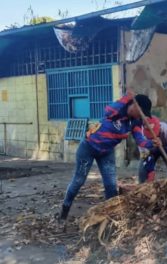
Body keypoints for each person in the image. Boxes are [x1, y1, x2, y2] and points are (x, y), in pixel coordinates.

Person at [58, 92, 159, 221]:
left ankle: (111, 218)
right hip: (88, 148)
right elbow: (108, 111)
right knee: (78, 181)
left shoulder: (135, 123)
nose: (142, 115)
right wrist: (127, 97)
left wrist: (152, 143)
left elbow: (140, 140)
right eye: (141, 111)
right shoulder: (117, 110)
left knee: (111, 185)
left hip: (106, 152)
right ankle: (64, 210)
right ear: (134, 105)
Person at [138, 116, 167, 183]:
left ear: (159, 127)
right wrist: (150, 171)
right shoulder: (141, 136)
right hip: (151, 150)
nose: (154, 137)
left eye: (155, 134)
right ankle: (143, 187)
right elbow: (145, 156)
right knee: (143, 170)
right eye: (151, 136)